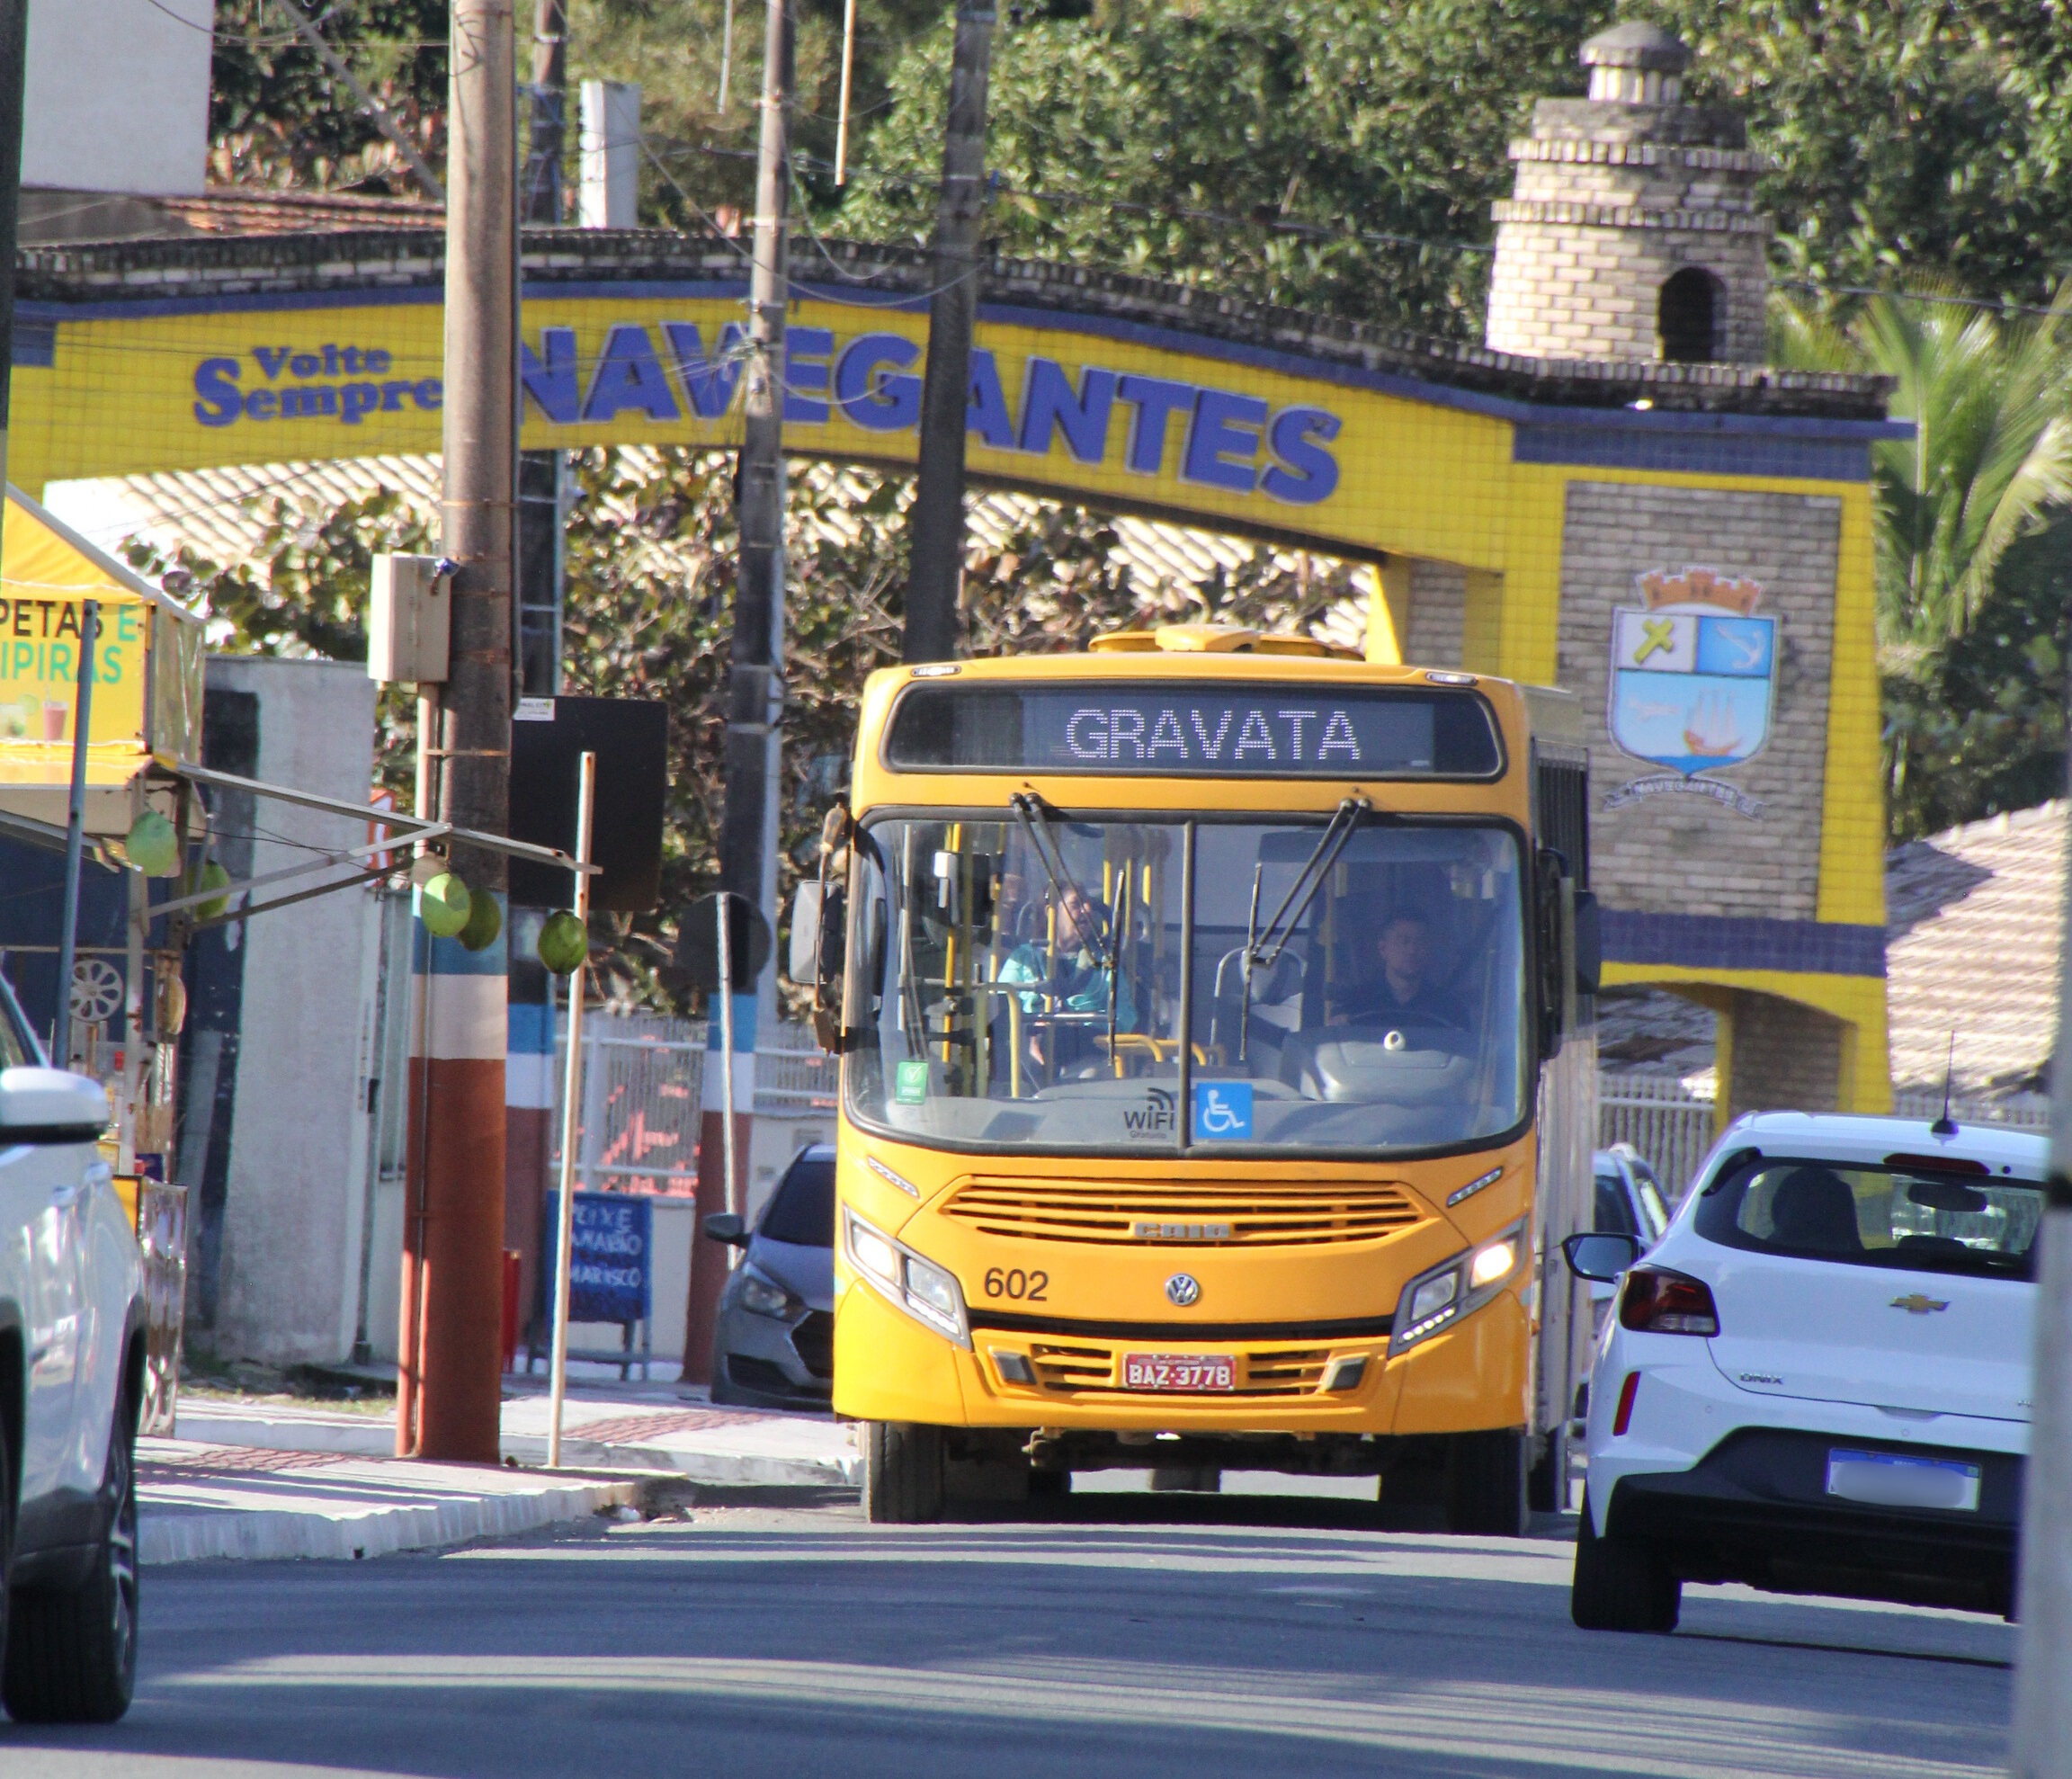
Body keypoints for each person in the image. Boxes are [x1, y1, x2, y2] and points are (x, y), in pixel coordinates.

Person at [1347, 911, 1456, 1026]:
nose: (1412, 950)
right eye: (1403, 942)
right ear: (1383, 948)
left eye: (1420, 942)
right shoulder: (1355, 1005)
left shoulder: (1449, 1010)